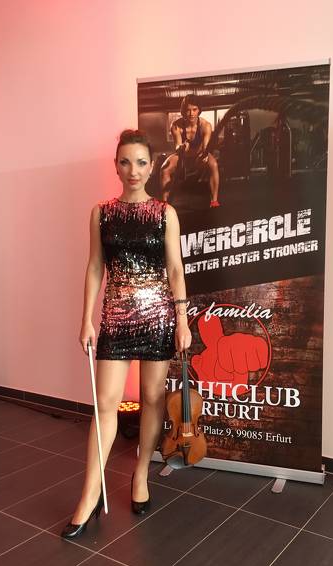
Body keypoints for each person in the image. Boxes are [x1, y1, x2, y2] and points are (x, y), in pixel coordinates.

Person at [62, 129, 192, 539]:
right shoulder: (101, 212)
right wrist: (86, 318)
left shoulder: (166, 213)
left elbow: (175, 269)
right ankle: (90, 494)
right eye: (124, 162)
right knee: (105, 404)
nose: (132, 170)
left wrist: (182, 320)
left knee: (152, 399)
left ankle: (140, 474)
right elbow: (94, 266)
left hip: (158, 317)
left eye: (140, 162)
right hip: (116, 317)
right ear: (116, 166)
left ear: (151, 167)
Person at [161, 95, 221, 208]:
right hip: (182, 156)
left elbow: (205, 147)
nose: (191, 113)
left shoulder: (205, 125)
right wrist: (182, 147)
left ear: (199, 110)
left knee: (213, 164)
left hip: (199, 155)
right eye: (188, 110)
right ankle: (165, 204)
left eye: (194, 109)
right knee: (165, 169)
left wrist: (204, 156)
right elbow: (177, 146)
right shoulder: (176, 125)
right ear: (183, 111)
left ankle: (214, 201)